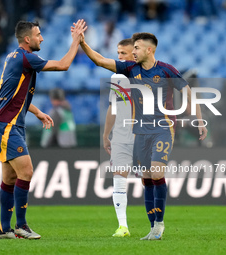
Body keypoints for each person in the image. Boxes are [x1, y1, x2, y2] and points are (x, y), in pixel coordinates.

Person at [77, 30, 207, 240]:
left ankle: (160, 224)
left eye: (136, 48)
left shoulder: (166, 70)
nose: (132, 52)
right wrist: (82, 43)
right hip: (141, 132)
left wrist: (199, 120)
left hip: (163, 128)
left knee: (156, 173)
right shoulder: (130, 69)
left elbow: (188, 92)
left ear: (149, 49)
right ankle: (153, 227)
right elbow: (100, 61)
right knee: (147, 178)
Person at [0, 19, 86, 239]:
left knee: (10, 178)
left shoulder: (14, 57)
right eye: (38, 34)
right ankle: (21, 226)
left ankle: (5, 229)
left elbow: (11, 95)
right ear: (27, 39)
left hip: (8, 122)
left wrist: (36, 112)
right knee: (27, 171)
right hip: (8, 125)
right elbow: (63, 65)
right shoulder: (26, 57)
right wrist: (75, 42)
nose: (42, 38)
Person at [102, 38, 134, 237]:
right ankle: (123, 227)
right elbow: (113, 107)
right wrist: (106, 135)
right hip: (122, 135)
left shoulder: (146, 75)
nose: (119, 57)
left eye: (123, 53)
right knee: (119, 180)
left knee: (151, 179)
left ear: (135, 53)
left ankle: (156, 224)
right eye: (118, 53)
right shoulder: (117, 78)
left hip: (144, 133)